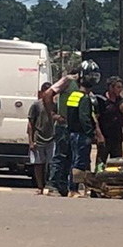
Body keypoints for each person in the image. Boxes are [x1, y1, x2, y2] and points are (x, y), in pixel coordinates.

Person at [65, 60, 104, 198]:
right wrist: (91, 133)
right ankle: (73, 189)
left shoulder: (73, 95)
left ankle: (72, 188)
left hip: (72, 133)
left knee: (75, 161)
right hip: (81, 134)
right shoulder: (85, 98)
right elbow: (85, 118)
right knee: (80, 162)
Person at [44, 66, 80, 197]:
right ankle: (52, 185)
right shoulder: (68, 81)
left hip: (74, 127)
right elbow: (48, 94)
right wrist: (53, 115)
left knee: (71, 157)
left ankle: (63, 185)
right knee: (60, 155)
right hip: (63, 125)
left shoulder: (84, 86)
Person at [27, 82, 55, 196]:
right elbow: (30, 124)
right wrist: (31, 141)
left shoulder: (55, 105)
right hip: (38, 138)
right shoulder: (36, 105)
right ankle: (40, 186)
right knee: (38, 164)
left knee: (52, 164)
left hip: (52, 138)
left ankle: (50, 185)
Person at [95, 76, 123, 168]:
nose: (120, 90)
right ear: (110, 87)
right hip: (105, 137)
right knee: (101, 162)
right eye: (118, 87)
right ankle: (99, 180)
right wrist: (99, 135)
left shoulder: (120, 101)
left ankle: (114, 181)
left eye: (121, 87)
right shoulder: (101, 101)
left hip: (117, 138)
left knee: (117, 164)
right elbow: (95, 119)